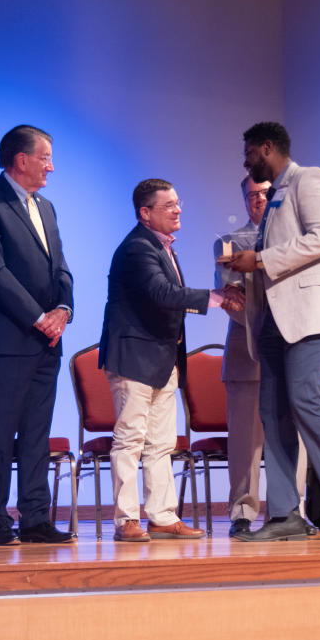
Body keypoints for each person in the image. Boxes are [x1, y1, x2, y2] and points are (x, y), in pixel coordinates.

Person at [228, 121, 320, 542]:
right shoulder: (275, 194)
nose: (245, 161)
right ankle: (284, 515)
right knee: (272, 411)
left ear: (268, 148)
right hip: (275, 317)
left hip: (313, 314)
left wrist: (258, 260)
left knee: (305, 400)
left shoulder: (310, 180)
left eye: (250, 152)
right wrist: (249, 265)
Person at [100, 178, 243, 542]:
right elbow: (162, 293)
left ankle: (162, 516)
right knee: (130, 440)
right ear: (145, 213)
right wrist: (215, 297)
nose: (178, 210)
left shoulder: (163, 248)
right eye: (169, 205)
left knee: (162, 443)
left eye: (178, 203)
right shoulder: (137, 248)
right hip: (134, 359)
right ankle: (125, 519)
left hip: (163, 361)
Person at [0, 125, 74, 546]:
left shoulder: (45, 206)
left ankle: (35, 517)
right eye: (44, 157)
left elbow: (60, 267)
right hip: (6, 338)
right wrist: (36, 316)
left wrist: (63, 310)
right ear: (20, 159)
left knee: (37, 435)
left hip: (47, 340)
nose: (50, 165)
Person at [214, 176, 308, 536]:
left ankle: (291, 512)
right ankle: (241, 512)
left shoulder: (298, 243)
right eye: (252, 195)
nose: (259, 200)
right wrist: (266, 326)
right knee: (245, 443)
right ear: (244, 200)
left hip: (292, 352)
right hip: (248, 352)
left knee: (291, 437)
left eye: (265, 194)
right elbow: (232, 300)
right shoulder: (229, 243)